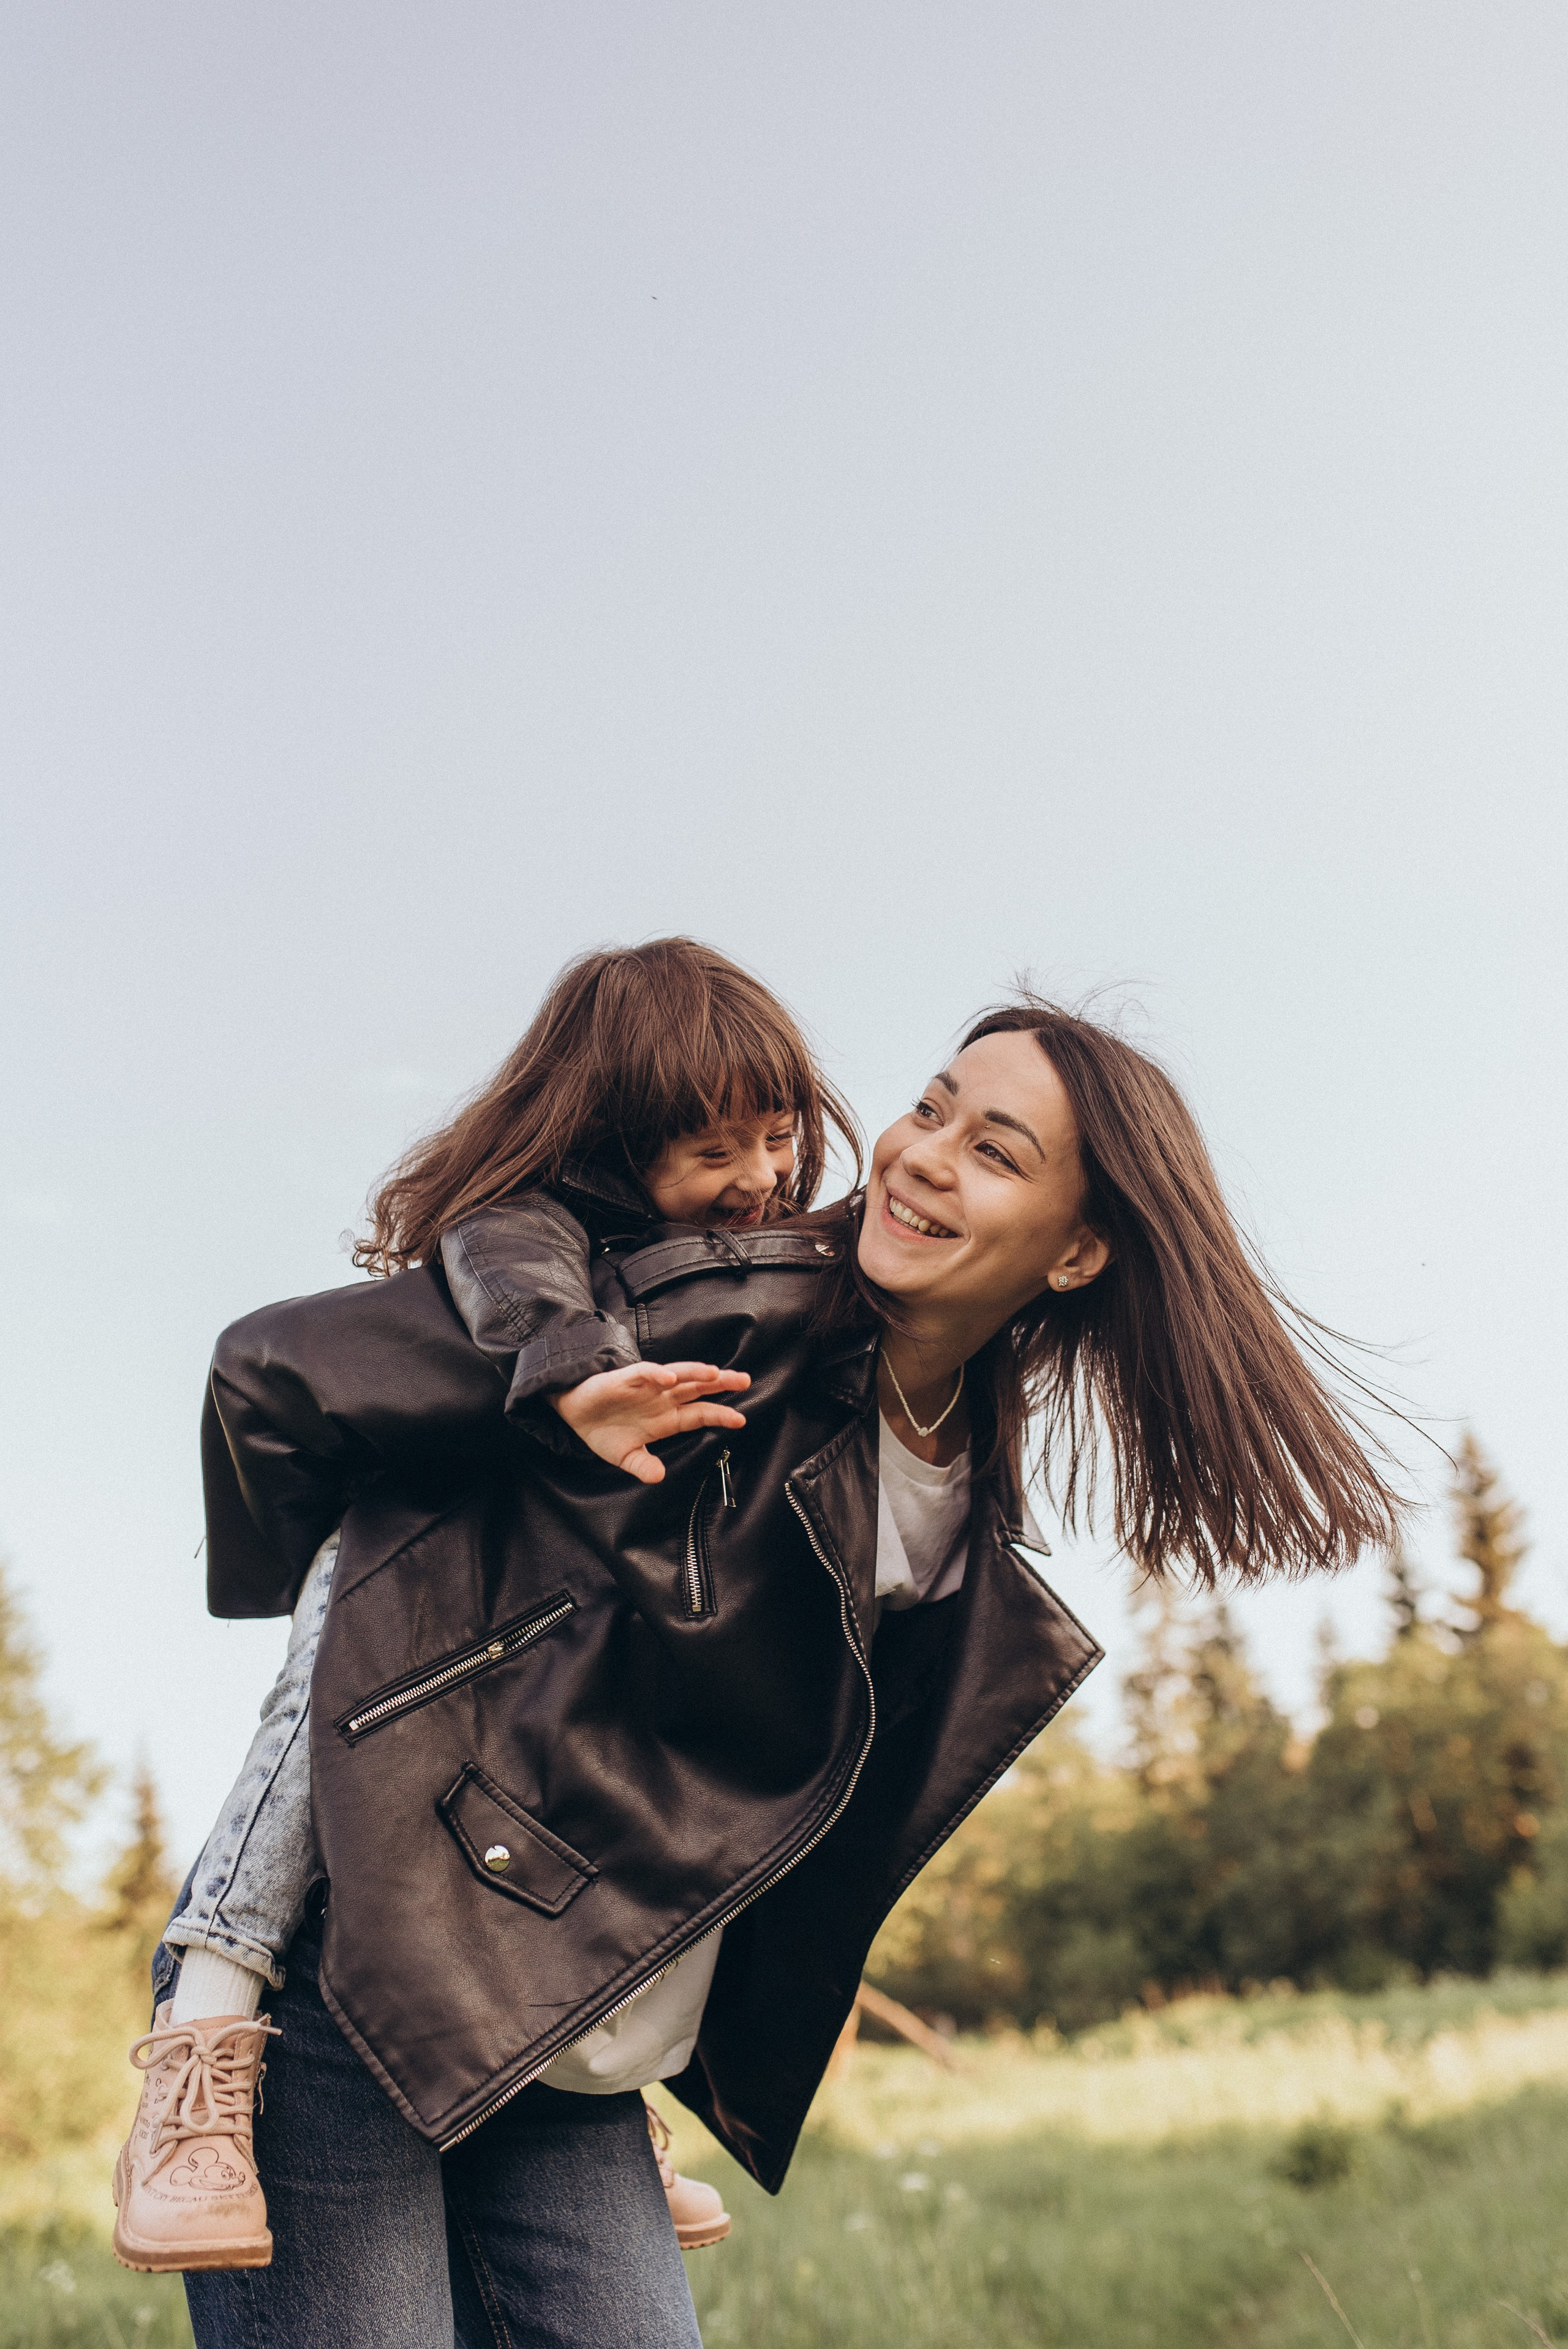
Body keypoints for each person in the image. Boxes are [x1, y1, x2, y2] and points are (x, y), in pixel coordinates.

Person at [165, 986, 1403, 2347]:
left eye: (994, 1151)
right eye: (930, 1108)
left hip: (567, 2033)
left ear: (1076, 1253)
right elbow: (272, 1374)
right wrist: (545, 1388)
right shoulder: (714, 1303)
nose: (922, 1154)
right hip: (373, 1959)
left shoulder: (965, 1479)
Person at [113, 938, 858, 2275]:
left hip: (541, 1637)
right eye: (713, 1150)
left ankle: (598, 2037)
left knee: (618, 1739)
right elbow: (515, 1265)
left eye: (777, 1134)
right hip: (411, 1556)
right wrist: (569, 1371)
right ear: (613, 1144)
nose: (759, 1173)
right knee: (332, 1691)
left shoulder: (748, 1262)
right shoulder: (537, 1222)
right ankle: (205, 2025)